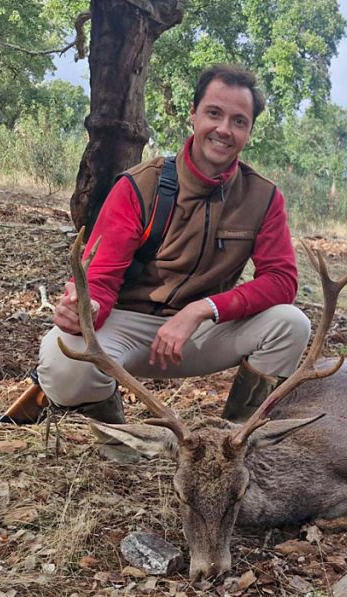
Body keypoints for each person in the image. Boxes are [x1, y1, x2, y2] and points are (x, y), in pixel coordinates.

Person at [26, 64, 310, 435]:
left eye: (239, 121)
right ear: (193, 114)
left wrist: (201, 310)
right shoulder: (141, 185)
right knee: (63, 359)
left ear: (249, 131)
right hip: (128, 327)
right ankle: (117, 436)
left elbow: (281, 281)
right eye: (214, 113)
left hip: (202, 332)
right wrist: (84, 310)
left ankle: (238, 439)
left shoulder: (263, 197)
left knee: (291, 324)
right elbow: (100, 277)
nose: (224, 129)